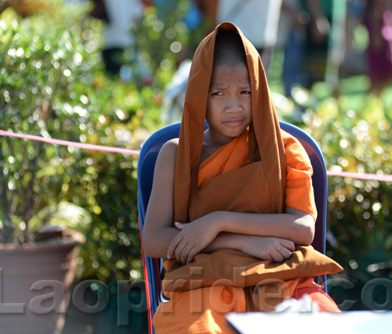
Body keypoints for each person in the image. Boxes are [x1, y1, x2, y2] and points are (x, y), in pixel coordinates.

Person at [143, 22, 342, 333]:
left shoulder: (284, 149)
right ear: (199, 96)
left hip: (280, 277)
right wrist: (242, 241)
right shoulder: (176, 155)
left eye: (245, 92)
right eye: (218, 93)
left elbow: (302, 228)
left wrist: (217, 221)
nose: (233, 106)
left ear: (259, 90)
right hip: (205, 283)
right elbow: (154, 239)